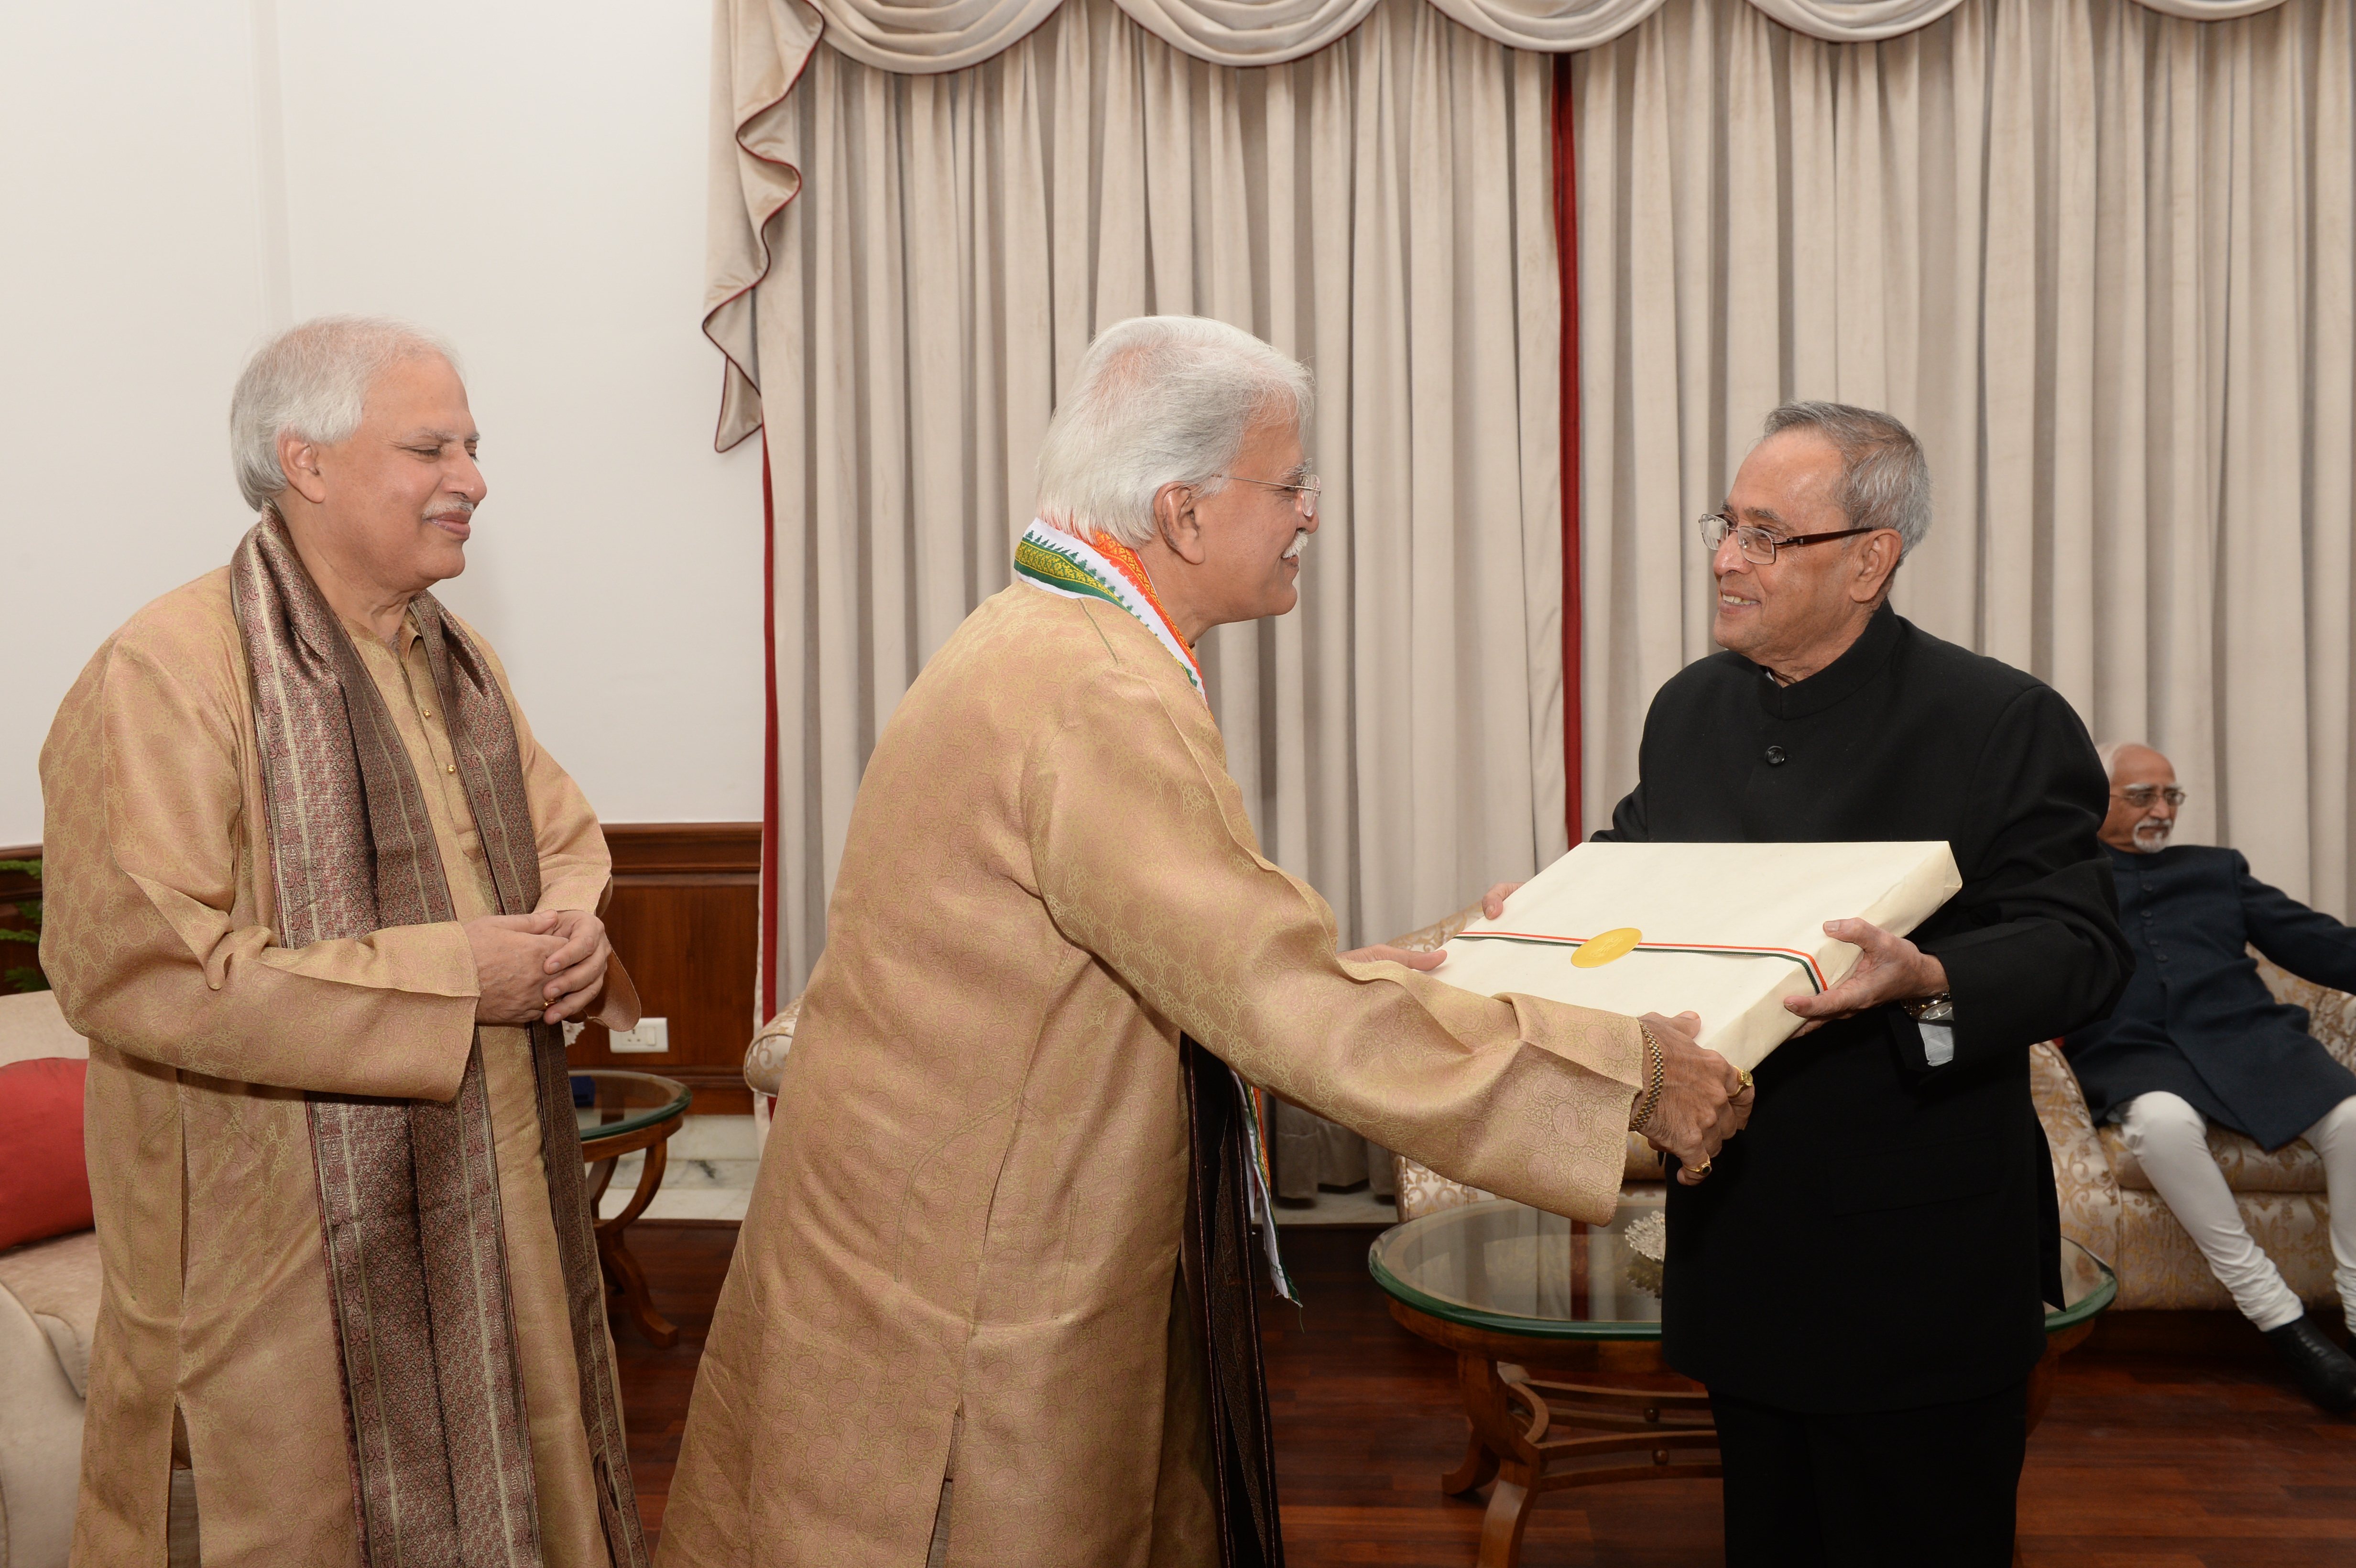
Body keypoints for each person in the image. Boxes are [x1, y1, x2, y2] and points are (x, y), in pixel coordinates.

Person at [655, 316, 1749, 1568]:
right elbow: (1278, 1001)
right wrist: (1636, 1077)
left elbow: (1154, 961)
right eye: (1287, 485)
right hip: (974, 1299)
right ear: (1181, 512)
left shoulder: (1037, 637)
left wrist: (1339, 982)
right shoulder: (1100, 694)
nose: (1309, 515)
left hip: (933, 1246)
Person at [40, 317, 652, 1567]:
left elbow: (565, 838)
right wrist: (458, 977)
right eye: (431, 448)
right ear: (305, 462)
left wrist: (575, 934)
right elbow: (142, 972)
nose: (474, 479)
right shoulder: (171, 672)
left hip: (499, 1219)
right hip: (280, 1273)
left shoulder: (454, 659)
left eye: (472, 447)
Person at [1585, 402, 2130, 1566]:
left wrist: (1930, 974)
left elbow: (2081, 945)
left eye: (1768, 535)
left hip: (1917, 1273)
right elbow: (1638, 865)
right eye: (1726, 525)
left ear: (1869, 560)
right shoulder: (1690, 707)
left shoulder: (1999, 720)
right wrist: (1542, 920)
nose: (1727, 558)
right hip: (1742, 1245)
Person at [2062, 742, 2356, 1412]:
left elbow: (2320, 944)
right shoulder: (2066, 876)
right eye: (2143, 796)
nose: (2162, 811)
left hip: (2250, 1037)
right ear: (2095, 801)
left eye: (2172, 797)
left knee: (2354, 1120)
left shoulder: (2217, 870)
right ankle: (2282, 1322)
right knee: (2162, 1124)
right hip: (2128, 1047)